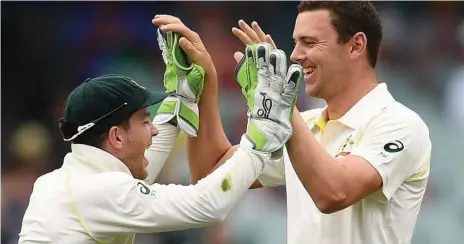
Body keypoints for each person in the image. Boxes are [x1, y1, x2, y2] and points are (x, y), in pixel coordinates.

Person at [17, 17, 301, 243]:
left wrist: (181, 98)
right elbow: (207, 205)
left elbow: (139, 171)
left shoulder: (68, 179)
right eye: (144, 120)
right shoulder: (101, 190)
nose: (153, 130)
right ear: (116, 136)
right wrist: (261, 132)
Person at [184, 1, 432, 244]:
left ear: (356, 45)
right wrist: (204, 88)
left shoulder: (401, 124)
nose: (294, 56)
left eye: (309, 43)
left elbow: (334, 193)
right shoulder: (305, 123)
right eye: (295, 43)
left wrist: (283, 103)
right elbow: (209, 173)